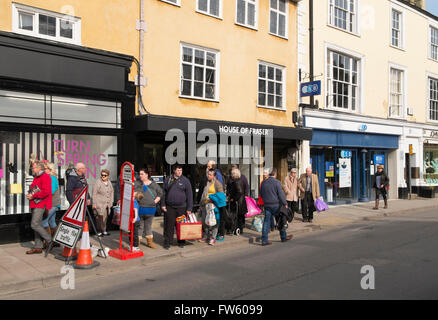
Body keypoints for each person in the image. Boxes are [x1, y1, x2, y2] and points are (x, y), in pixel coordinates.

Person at [161, 165, 193, 250]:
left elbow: (189, 195)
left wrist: (189, 208)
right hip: (170, 207)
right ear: (174, 171)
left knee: (181, 226)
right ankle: (167, 242)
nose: (179, 172)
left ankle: (181, 241)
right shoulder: (168, 179)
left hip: (182, 207)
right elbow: (163, 193)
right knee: (169, 226)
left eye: (181, 170)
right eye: (178, 170)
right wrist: (163, 204)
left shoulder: (185, 181)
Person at [259, 168, 292, 246]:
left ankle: (264, 240)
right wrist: (285, 203)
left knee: (266, 222)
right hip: (276, 205)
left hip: (267, 205)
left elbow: (261, 193)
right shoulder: (277, 182)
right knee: (280, 220)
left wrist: (265, 201)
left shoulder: (263, 183)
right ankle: (283, 237)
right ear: (275, 174)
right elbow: (280, 194)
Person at [26, 161, 53, 254]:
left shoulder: (45, 176)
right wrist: (30, 194)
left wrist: (33, 196)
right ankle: (38, 247)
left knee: (34, 224)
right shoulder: (36, 177)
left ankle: (49, 240)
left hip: (41, 204)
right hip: (35, 204)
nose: (32, 169)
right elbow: (35, 189)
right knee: (37, 225)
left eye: (33, 168)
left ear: (39, 168)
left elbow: (46, 191)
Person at [134, 168, 162, 248]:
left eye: (142, 174)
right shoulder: (138, 184)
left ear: (147, 174)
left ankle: (150, 243)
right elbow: (133, 193)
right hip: (140, 209)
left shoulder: (153, 184)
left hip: (150, 209)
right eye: (139, 174)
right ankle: (137, 243)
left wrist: (155, 201)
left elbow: (160, 193)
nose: (140, 176)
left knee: (148, 226)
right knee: (140, 226)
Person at [200, 168, 224, 245]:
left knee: (214, 222)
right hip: (205, 204)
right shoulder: (206, 182)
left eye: (210, 174)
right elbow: (203, 193)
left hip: (213, 206)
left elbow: (221, 195)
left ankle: (213, 237)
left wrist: (212, 198)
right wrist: (201, 204)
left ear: (214, 176)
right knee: (204, 221)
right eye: (208, 174)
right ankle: (206, 235)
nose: (208, 176)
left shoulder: (217, 184)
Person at [41, 162, 60, 246]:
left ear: (50, 170)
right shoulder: (50, 178)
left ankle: (48, 243)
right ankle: (56, 242)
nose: (44, 170)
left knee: (44, 222)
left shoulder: (52, 178)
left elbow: (50, 192)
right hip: (53, 204)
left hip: (52, 204)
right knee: (52, 222)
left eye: (45, 168)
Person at [92, 169, 114, 237]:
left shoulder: (109, 182)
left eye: (105, 175)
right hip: (99, 203)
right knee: (99, 218)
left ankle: (104, 230)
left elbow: (112, 192)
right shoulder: (98, 182)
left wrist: (111, 202)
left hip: (107, 204)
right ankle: (99, 232)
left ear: (108, 176)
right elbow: (94, 193)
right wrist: (94, 203)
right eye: (102, 175)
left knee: (105, 218)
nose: (103, 177)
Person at [228, 168, 247, 235]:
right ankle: (239, 230)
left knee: (238, 217)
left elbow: (239, 192)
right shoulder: (240, 181)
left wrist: (234, 199)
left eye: (232, 174)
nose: (231, 176)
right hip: (241, 202)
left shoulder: (236, 182)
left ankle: (238, 230)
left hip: (238, 203)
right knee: (240, 217)